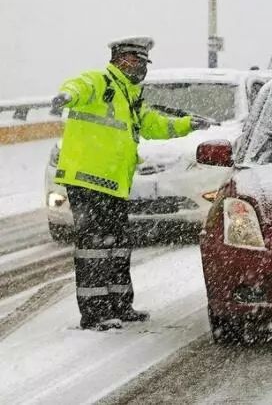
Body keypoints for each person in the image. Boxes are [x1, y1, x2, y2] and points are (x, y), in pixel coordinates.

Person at [50, 36, 212, 330]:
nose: (139, 67)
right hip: (87, 181)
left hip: (113, 183)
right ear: (118, 60)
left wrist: (189, 123)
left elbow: (154, 125)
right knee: (94, 247)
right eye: (134, 61)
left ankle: (121, 305)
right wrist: (65, 96)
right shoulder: (100, 81)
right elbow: (78, 86)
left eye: (142, 63)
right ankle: (95, 313)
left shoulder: (131, 96)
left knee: (118, 245)